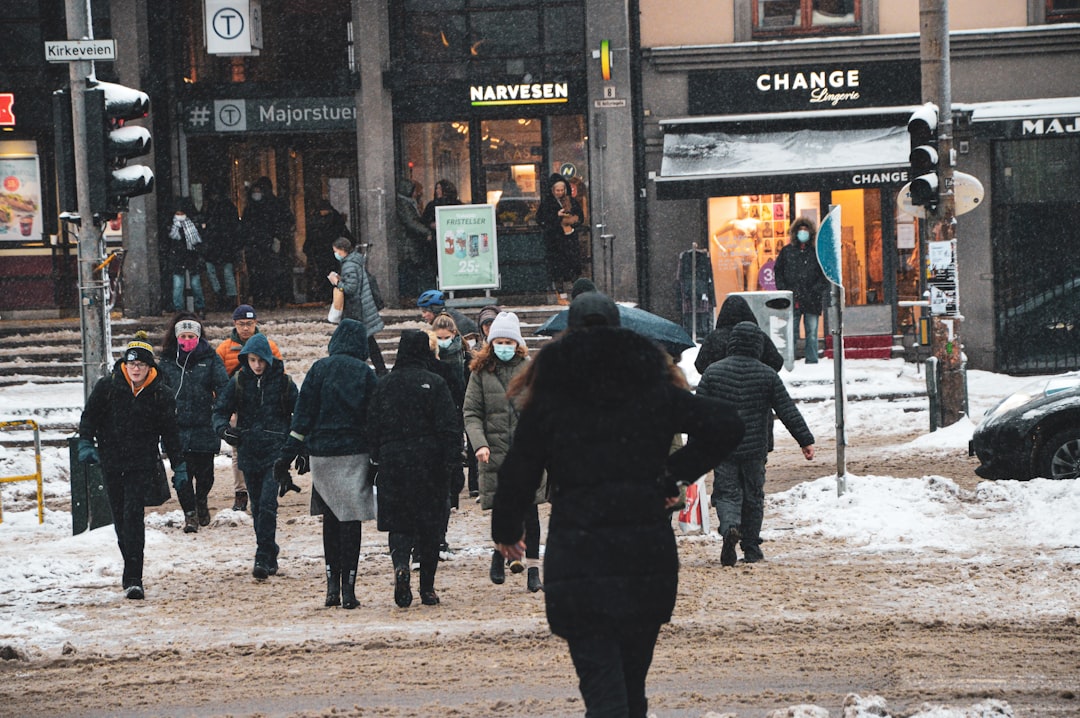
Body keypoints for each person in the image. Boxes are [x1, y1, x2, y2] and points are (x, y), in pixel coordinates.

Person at [491, 291, 744, 717]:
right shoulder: (652, 385)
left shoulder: (552, 392)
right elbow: (726, 424)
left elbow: (520, 468)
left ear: (571, 329)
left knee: (603, 689)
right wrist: (671, 473)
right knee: (632, 685)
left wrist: (506, 530)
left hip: (580, 553)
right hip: (644, 554)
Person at [696, 321, 815, 566]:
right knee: (753, 496)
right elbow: (787, 410)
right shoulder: (767, 374)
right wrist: (805, 440)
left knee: (727, 493)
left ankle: (729, 527)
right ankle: (751, 547)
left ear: (732, 343)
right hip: (754, 448)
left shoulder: (713, 372)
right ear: (758, 345)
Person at [77, 332, 186, 600]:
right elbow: (89, 418)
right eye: (131, 363)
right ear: (125, 365)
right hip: (112, 462)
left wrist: (179, 465)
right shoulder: (108, 387)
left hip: (141, 464)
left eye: (141, 364)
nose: (135, 368)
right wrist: (86, 443)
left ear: (150, 367)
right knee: (121, 520)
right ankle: (131, 565)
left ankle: (134, 577)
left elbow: (170, 433)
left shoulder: (161, 394)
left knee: (133, 515)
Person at [277, 319, 377, 609]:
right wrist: (377, 456)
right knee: (351, 520)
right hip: (355, 453)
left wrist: (290, 453)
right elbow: (374, 418)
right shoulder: (365, 373)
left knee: (330, 519)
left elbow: (302, 416)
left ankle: (331, 586)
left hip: (323, 455)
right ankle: (350, 589)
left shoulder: (319, 369)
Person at [367, 329, 462, 607]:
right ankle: (428, 588)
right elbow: (449, 427)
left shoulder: (384, 385)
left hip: (394, 462)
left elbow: (372, 425)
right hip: (429, 463)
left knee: (399, 522)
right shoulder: (435, 383)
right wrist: (454, 463)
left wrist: (376, 458)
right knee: (430, 526)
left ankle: (400, 565)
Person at [463, 311, 543, 591]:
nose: (505, 346)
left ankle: (534, 571)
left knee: (530, 514)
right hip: (495, 452)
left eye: (510, 341)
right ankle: (499, 555)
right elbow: (471, 412)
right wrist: (479, 443)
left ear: (518, 343)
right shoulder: (480, 373)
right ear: (492, 342)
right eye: (500, 341)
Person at [213, 332, 298, 580]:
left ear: (269, 359)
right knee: (258, 505)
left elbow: (300, 414)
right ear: (246, 359)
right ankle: (269, 550)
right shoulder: (238, 381)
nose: (257, 365)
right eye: (252, 360)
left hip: (275, 452)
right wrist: (225, 431)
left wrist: (297, 445)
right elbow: (219, 412)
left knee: (269, 505)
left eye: (260, 360)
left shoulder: (284, 383)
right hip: (249, 450)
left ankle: (262, 555)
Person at [158, 312, 229, 533]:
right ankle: (189, 514)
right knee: (182, 474)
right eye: (183, 336)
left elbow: (224, 388)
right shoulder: (168, 361)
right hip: (176, 428)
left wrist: (219, 411)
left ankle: (201, 501)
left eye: (191, 335)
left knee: (205, 474)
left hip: (203, 425)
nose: (187, 340)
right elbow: (159, 390)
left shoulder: (210, 358)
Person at [216, 304, 284, 512]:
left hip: (266, 407)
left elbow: (278, 377)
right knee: (239, 450)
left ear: (256, 324)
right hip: (239, 406)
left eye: (250, 324)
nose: (245, 328)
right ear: (234, 325)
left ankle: (267, 490)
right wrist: (227, 403)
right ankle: (241, 492)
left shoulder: (270, 347)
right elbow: (218, 380)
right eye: (241, 324)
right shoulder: (224, 349)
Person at [328, 237, 388, 376]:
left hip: (356, 309)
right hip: (361, 307)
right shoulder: (356, 261)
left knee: (359, 339)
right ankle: (380, 368)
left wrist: (336, 282)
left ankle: (371, 369)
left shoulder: (349, 265)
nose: (335, 254)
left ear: (342, 250)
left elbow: (350, 288)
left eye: (336, 251)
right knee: (367, 339)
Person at [774, 216, 829, 364]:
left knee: (812, 332)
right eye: (800, 230)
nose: (803, 233)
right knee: (791, 332)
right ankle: (789, 359)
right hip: (793, 299)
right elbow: (778, 271)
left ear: (810, 233)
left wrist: (816, 290)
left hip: (812, 299)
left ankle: (812, 360)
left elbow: (824, 274)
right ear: (795, 232)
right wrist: (784, 290)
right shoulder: (787, 252)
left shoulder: (815, 252)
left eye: (806, 230)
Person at [694, 293, 784, 375]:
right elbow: (776, 362)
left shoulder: (714, 338)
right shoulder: (758, 336)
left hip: (720, 388)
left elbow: (700, 365)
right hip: (755, 389)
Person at [242, 176, 295, 308]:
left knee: (268, 273)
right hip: (260, 246)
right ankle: (267, 298)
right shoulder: (254, 208)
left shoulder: (273, 205)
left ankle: (269, 298)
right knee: (263, 274)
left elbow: (285, 222)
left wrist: (278, 237)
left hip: (267, 245)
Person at [536, 173, 584, 302]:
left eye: (562, 190)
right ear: (552, 190)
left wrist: (574, 222)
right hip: (555, 242)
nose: (560, 193)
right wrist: (556, 216)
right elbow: (540, 220)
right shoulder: (547, 203)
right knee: (558, 270)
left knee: (573, 268)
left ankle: (576, 294)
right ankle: (561, 295)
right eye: (557, 190)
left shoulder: (571, 201)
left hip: (570, 239)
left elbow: (581, 217)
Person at [199, 183, 242, 312]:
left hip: (219, 246)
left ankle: (224, 296)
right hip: (222, 246)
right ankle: (228, 296)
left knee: (221, 271)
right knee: (225, 272)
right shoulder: (224, 208)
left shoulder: (214, 209)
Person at [304, 199, 353, 305]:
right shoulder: (336, 221)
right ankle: (332, 297)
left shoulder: (316, 222)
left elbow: (310, 240)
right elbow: (347, 237)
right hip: (331, 254)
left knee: (323, 276)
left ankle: (325, 297)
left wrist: (309, 251)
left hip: (321, 254)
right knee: (333, 276)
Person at [166, 196, 207, 316]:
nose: (180, 215)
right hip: (178, 257)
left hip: (191, 256)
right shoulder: (172, 224)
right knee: (178, 285)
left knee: (195, 284)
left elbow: (198, 240)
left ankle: (200, 307)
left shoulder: (193, 223)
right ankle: (179, 309)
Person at [397, 177, 434, 298]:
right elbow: (411, 222)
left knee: (411, 269)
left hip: (411, 242)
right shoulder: (404, 204)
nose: (417, 193)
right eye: (414, 190)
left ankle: (411, 295)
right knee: (410, 269)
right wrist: (426, 232)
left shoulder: (408, 203)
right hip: (408, 243)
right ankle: (409, 295)